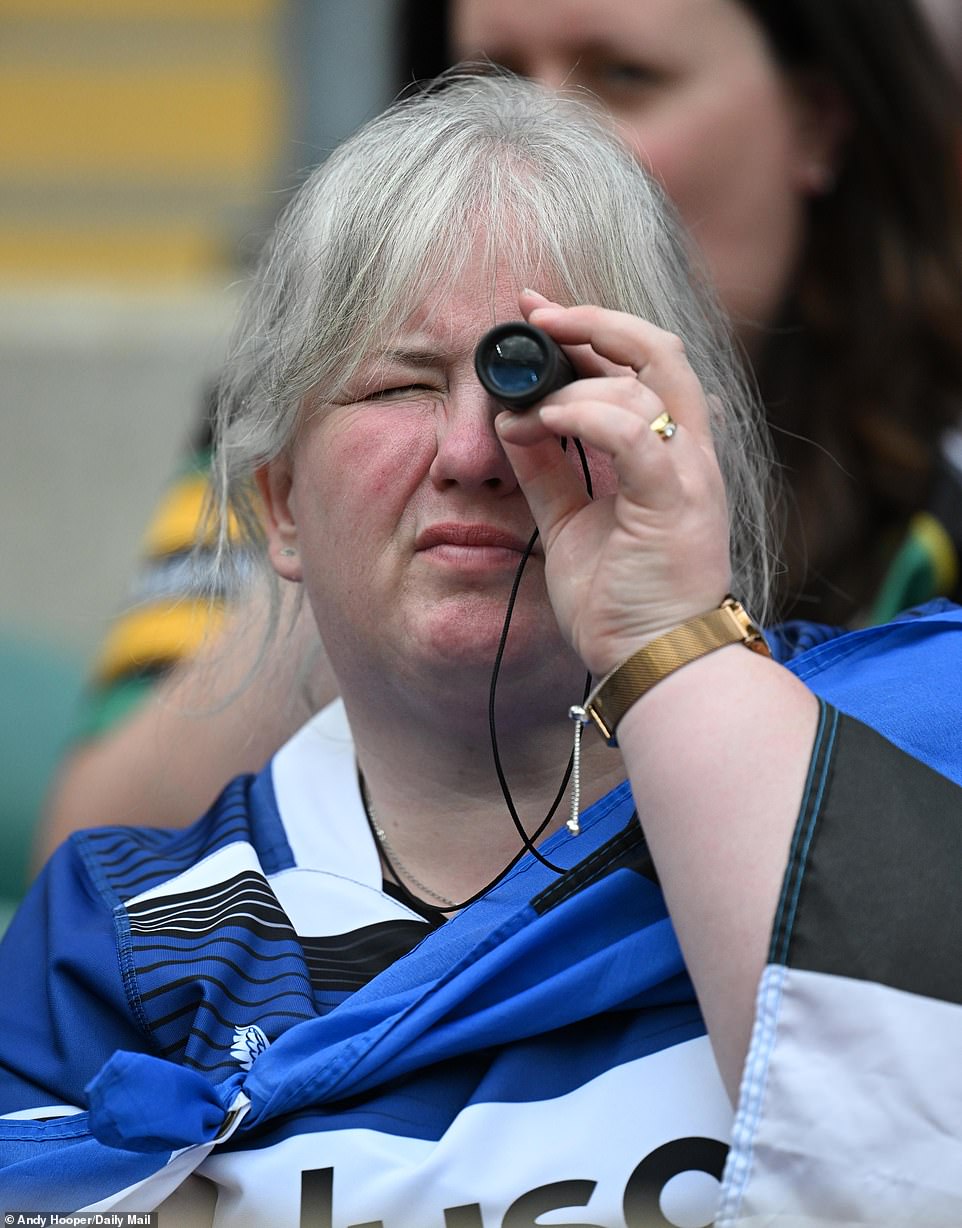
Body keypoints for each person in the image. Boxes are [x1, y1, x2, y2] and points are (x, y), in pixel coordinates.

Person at [3, 73, 962, 1225]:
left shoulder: (903, 750)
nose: (472, 448)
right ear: (285, 510)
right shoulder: (126, 936)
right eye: (399, 384)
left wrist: (668, 640)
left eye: (540, 380)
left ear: (676, 436)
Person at [37, 0, 962, 865]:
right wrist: (380, 537)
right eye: (493, 77)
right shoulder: (308, 406)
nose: (540, 136)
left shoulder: (936, 466)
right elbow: (101, 853)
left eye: (623, 79)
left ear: (818, 121)